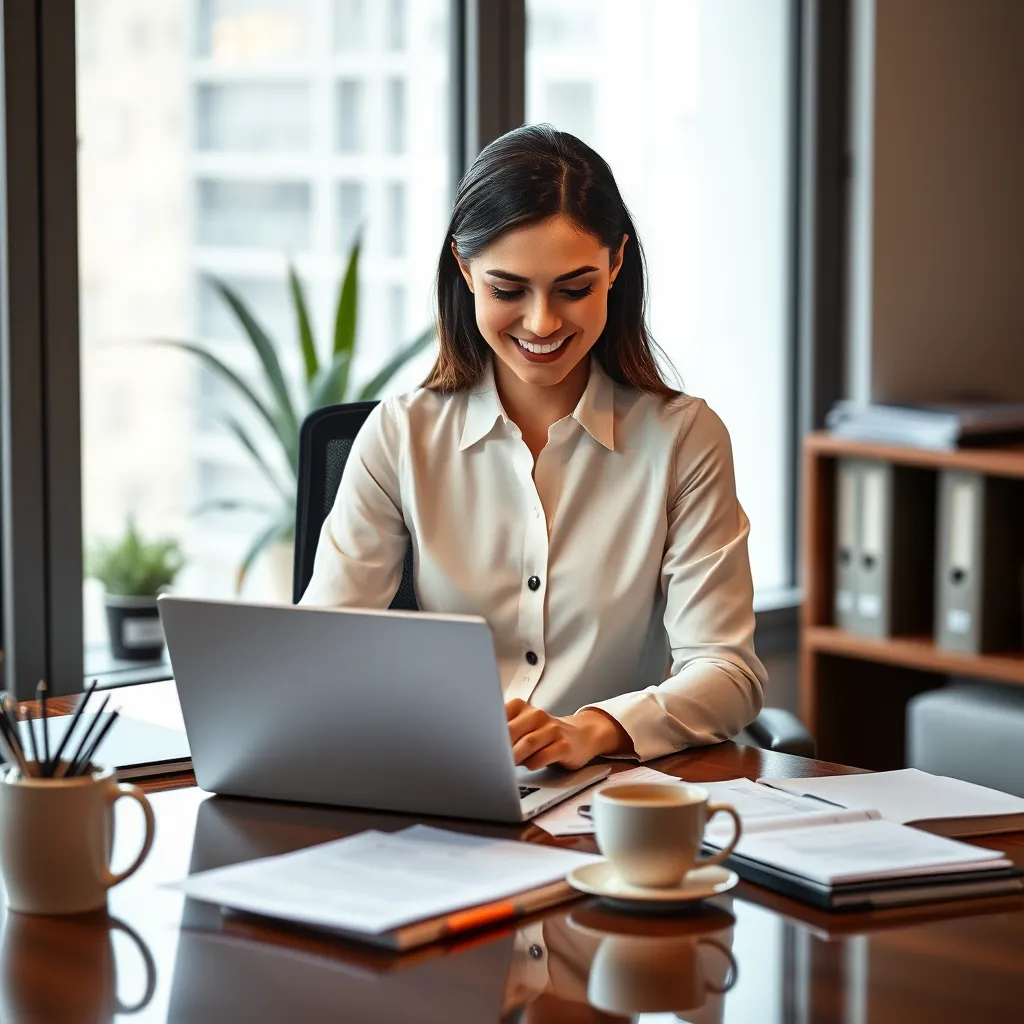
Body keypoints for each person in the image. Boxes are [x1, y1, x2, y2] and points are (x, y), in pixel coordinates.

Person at [301, 124, 766, 768]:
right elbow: (322, 652)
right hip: (444, 783)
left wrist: (593, 728)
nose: (542, 323)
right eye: (507, 290)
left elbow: (727, 673)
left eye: (574, 289)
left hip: (611, 800)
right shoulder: (400, 435)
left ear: (616, 263)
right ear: (465, 271)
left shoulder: (684, 439)